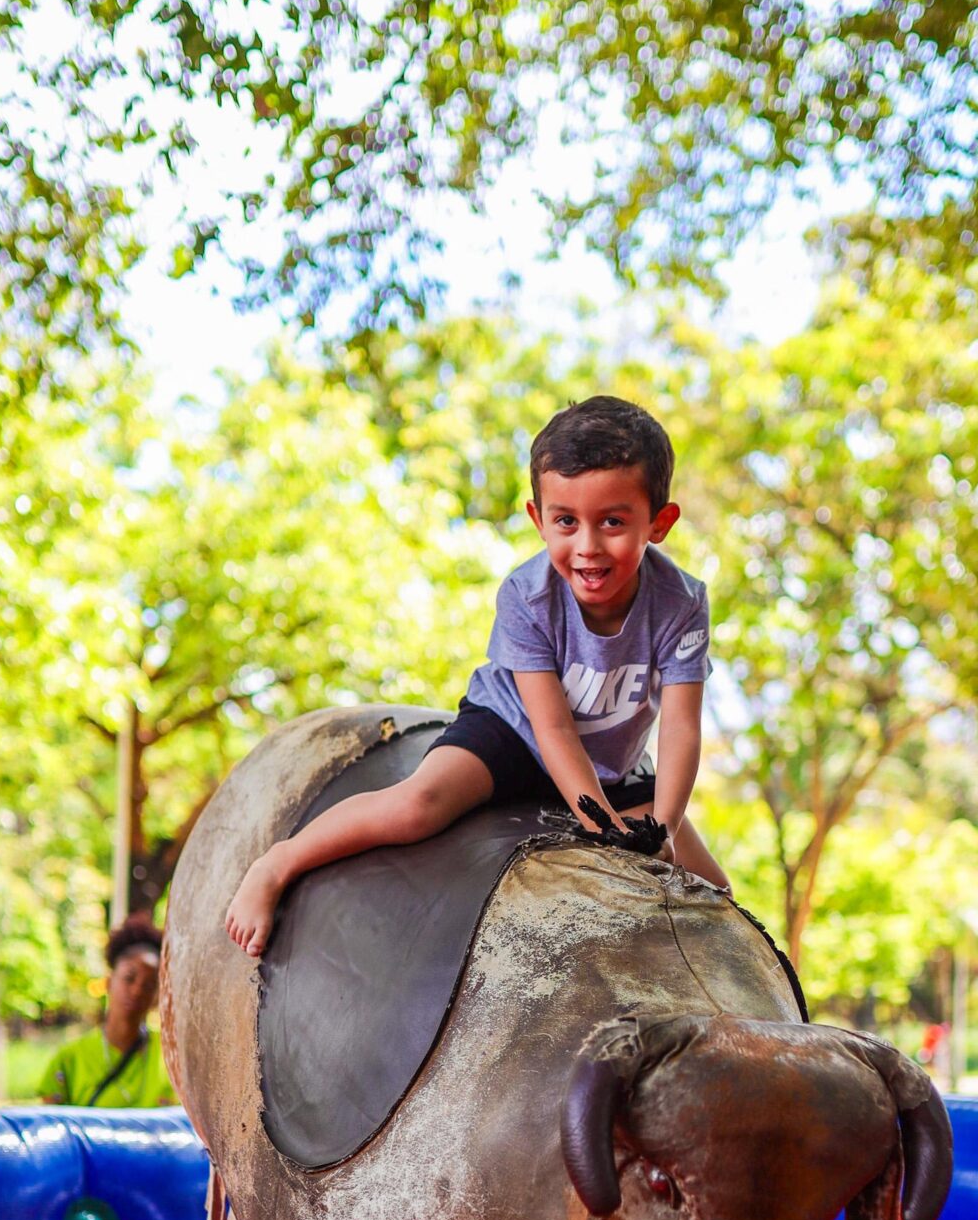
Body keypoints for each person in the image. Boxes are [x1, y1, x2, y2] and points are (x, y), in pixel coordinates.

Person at [225, 395, 731, 955]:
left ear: (659, 523)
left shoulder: (683, 602)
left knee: (717, 890)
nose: (587, 546)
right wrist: (602, 830)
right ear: (539, 520)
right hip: (515, 731)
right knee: (419, 804)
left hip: (612, 757)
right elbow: (553, 729)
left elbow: (681, 728)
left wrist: (659, 829)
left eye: (613, 522)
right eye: (566, 521)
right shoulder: (526, 596)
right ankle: (279, 863)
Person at [38, 915, 176, 1108]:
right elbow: (50, 1127)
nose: (137, 991)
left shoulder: (171, 1059)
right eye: (129, 978)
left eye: (149, 985)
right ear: (109, 982)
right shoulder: (69, 1059)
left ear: (157, 996)